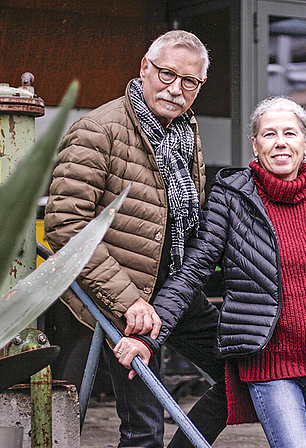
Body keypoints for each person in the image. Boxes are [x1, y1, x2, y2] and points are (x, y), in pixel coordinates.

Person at [115, 95, 306, 448]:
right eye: (269, 134)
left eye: (290, 133)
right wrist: (148, 338)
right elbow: (192, 270)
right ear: (255, 144)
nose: (280, 142)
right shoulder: (231, 196)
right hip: (269, 361)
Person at [44, 30, 227, 448]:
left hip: (174, 292)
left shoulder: (184, 133)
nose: (176, 89)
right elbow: (65, 225)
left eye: (190, 82)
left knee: (242, 377)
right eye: (166, 74)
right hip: (119, 297)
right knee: (144, 428)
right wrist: (130, 301)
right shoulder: (97, 130)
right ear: (145, 67)